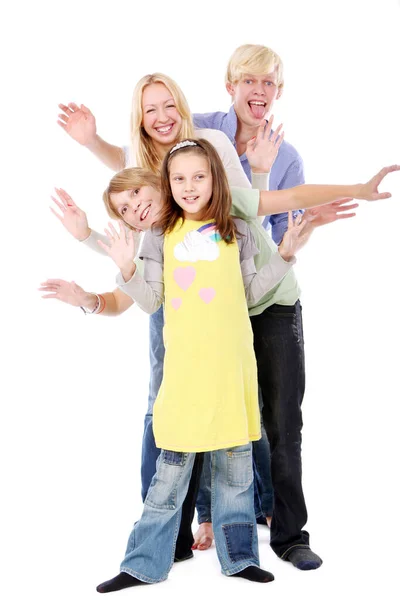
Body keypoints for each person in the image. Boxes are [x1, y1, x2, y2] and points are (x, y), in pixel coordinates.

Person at [43, 138, 318, 590]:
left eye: (198, 177)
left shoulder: (237, 229)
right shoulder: (158, 236)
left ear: (214, 178)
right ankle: (142, 564)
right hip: (186, 375)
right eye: (179, 179)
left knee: (234, 473)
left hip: (232, 371)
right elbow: (151, 300)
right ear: (167, 185)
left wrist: (286, 252)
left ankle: (241, 558)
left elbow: (251, 294)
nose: (189, 186)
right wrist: (127, 267)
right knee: (168, 478)